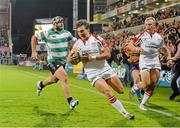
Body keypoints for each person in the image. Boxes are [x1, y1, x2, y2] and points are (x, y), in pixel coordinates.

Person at [68, 19, 134, 120]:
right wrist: (73, 60)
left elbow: (107, 54)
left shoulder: (97, 39)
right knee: (108, 91)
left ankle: (106, 82)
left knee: (121, 90)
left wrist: (92, 58)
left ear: (88, 29)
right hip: (92, 72)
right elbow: (70, 59)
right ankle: (125, 113)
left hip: (105, 68)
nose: (80, 33)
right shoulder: (77, 44)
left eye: (82, 31)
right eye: (78, 32)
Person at [31, 16, 79, 109]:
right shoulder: (47, 33)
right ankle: (71, 101)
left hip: (63, 61)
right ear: (54, 24)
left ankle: (41, 84)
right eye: (59, 22)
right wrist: (33, 51)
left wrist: (76, 49)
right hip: (52, 60)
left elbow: (75, 42)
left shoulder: (67, 33)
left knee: (54, 80)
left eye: (62, 22)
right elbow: (34, 37)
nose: (61, 24)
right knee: (64, 77)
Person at [129, 17, 171, 110]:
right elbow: (130, 45)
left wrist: (168, 57)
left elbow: (164, 49)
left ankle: (142, 104)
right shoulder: (141, 35)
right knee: (146, 83)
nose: (147, 26)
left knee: (152, 84)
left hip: (155, 61)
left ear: (155, 26)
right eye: (146, 24)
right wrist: (136, 49)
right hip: (144, 61)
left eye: (150, 24)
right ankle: (135, 88)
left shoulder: (158, 37)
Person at [124, 36, 142, 102]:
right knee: (137, 80)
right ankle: (139, 98)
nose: (132, 40)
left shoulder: (142, 46)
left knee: (145, 83)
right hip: (135, 65)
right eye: (130, 39)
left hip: (143, 65)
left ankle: (135, 90)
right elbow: (128, 56)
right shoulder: (127, 47)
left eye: (133, 39)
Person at [165, 27, 180, 100]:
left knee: (174, 80)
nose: (171, 41)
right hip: (178, 65)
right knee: (173, 81)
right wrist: (170, 61)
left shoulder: (179, 44)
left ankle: (176, 92)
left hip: (178, 64)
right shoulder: (174, 44)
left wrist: (170, 59)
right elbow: (173, 55)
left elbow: (177, 56)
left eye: (171, 39)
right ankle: (176, 92)